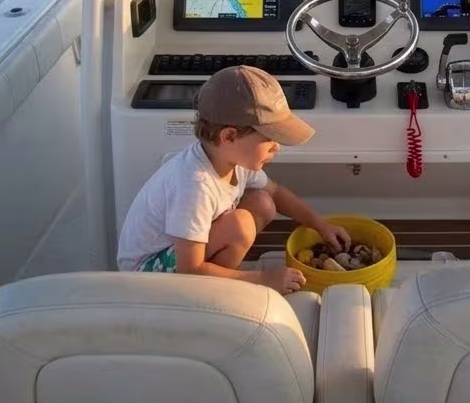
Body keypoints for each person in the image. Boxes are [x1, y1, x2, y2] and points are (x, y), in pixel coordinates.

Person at [116, 65, 350, 295]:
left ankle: (223, 277)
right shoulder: (195, 186)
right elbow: (191, 268)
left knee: (263, 202)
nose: (276, 147)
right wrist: (262, 280)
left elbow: (276, 193)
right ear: (229, 136)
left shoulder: (232, 159)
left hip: (181, 257)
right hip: (145, 277)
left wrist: (320, 224)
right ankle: (221, 290)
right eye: (270, 139)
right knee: (240, 225)